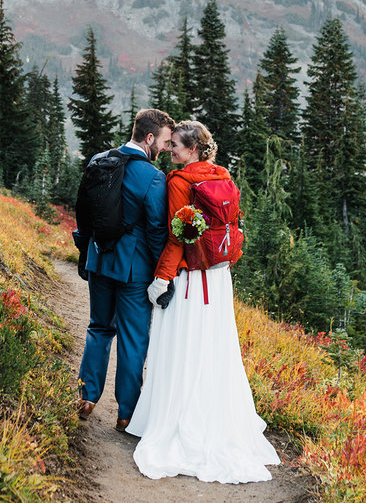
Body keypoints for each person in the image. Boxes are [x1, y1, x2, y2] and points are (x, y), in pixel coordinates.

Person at [126, 120, 280, 483]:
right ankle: (214, 417)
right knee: (212, 348)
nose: (170, 151)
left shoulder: (179, 182)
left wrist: (161, 278)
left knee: (183, 346)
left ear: (192, 149)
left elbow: (177, 235)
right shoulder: (223, 176)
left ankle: (179, 418)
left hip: (192, 279)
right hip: (219, 276)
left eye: (176, 145)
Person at [77, 108, 175, 432]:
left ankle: (86, 396)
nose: (164, 148)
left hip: (98, 259)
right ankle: (126, 413)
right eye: (163, 141)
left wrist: (85, 253)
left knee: (99, 327)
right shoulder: (153, 178)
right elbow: (158, 231)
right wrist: (164, 275)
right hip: (134, 270)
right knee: (134, 340)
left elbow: (84, 213)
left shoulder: (98, 160)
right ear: (149, 138)